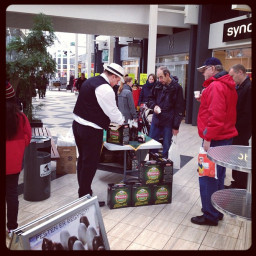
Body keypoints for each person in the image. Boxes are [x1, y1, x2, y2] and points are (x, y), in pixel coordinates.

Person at [191, 57, 238, 226]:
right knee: (219, 176)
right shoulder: (227, 84)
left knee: (207, 176)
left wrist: (208, 138)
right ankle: (216, 210)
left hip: (215, 138)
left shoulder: (216, 86)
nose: (203, 73)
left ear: (212, 68)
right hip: (225, 137)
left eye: (204, 70)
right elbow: (223, 109)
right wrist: (204, 100)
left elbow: (216, 117)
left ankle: (210, 215)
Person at [72, 63, 125, 206]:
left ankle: (84, 193)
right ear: (113, 76)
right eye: (118, 79)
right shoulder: (105, 89)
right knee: (90, 163)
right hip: (90, 130)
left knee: (83, 160)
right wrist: (123, 121)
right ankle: (85, 198)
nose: (118, 82)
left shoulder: (91, 81)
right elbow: (113, 113)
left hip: (77, 124)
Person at [6, 81, 32, 238]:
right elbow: (27, 137)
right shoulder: (20, 118)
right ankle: (12, 228)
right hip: (13, 163)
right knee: (12, 194)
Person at [147, 66, 184, 158]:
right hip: (156, 120)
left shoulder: (177, 88)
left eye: (161, 77)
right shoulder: (157, 85)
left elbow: (179, 108)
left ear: (167, 75)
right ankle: (152, 164)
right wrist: (154, 106)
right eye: (158, 77)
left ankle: (165, 165)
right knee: (151, 144)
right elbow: (150, 99)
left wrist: (176, 126)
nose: (159, 80)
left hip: (168, 122)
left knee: (166, 146)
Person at [226, 64, 252, 189]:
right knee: (236, 156)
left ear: (240, 72)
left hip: (242, 130)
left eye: (232, 75)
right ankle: (237, 181)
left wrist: (235, 127)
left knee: (240, 156)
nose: (231, 78)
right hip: (237, 128)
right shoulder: (240, 87)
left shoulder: (249, 87)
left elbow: (247, 113)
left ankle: (241, 184)